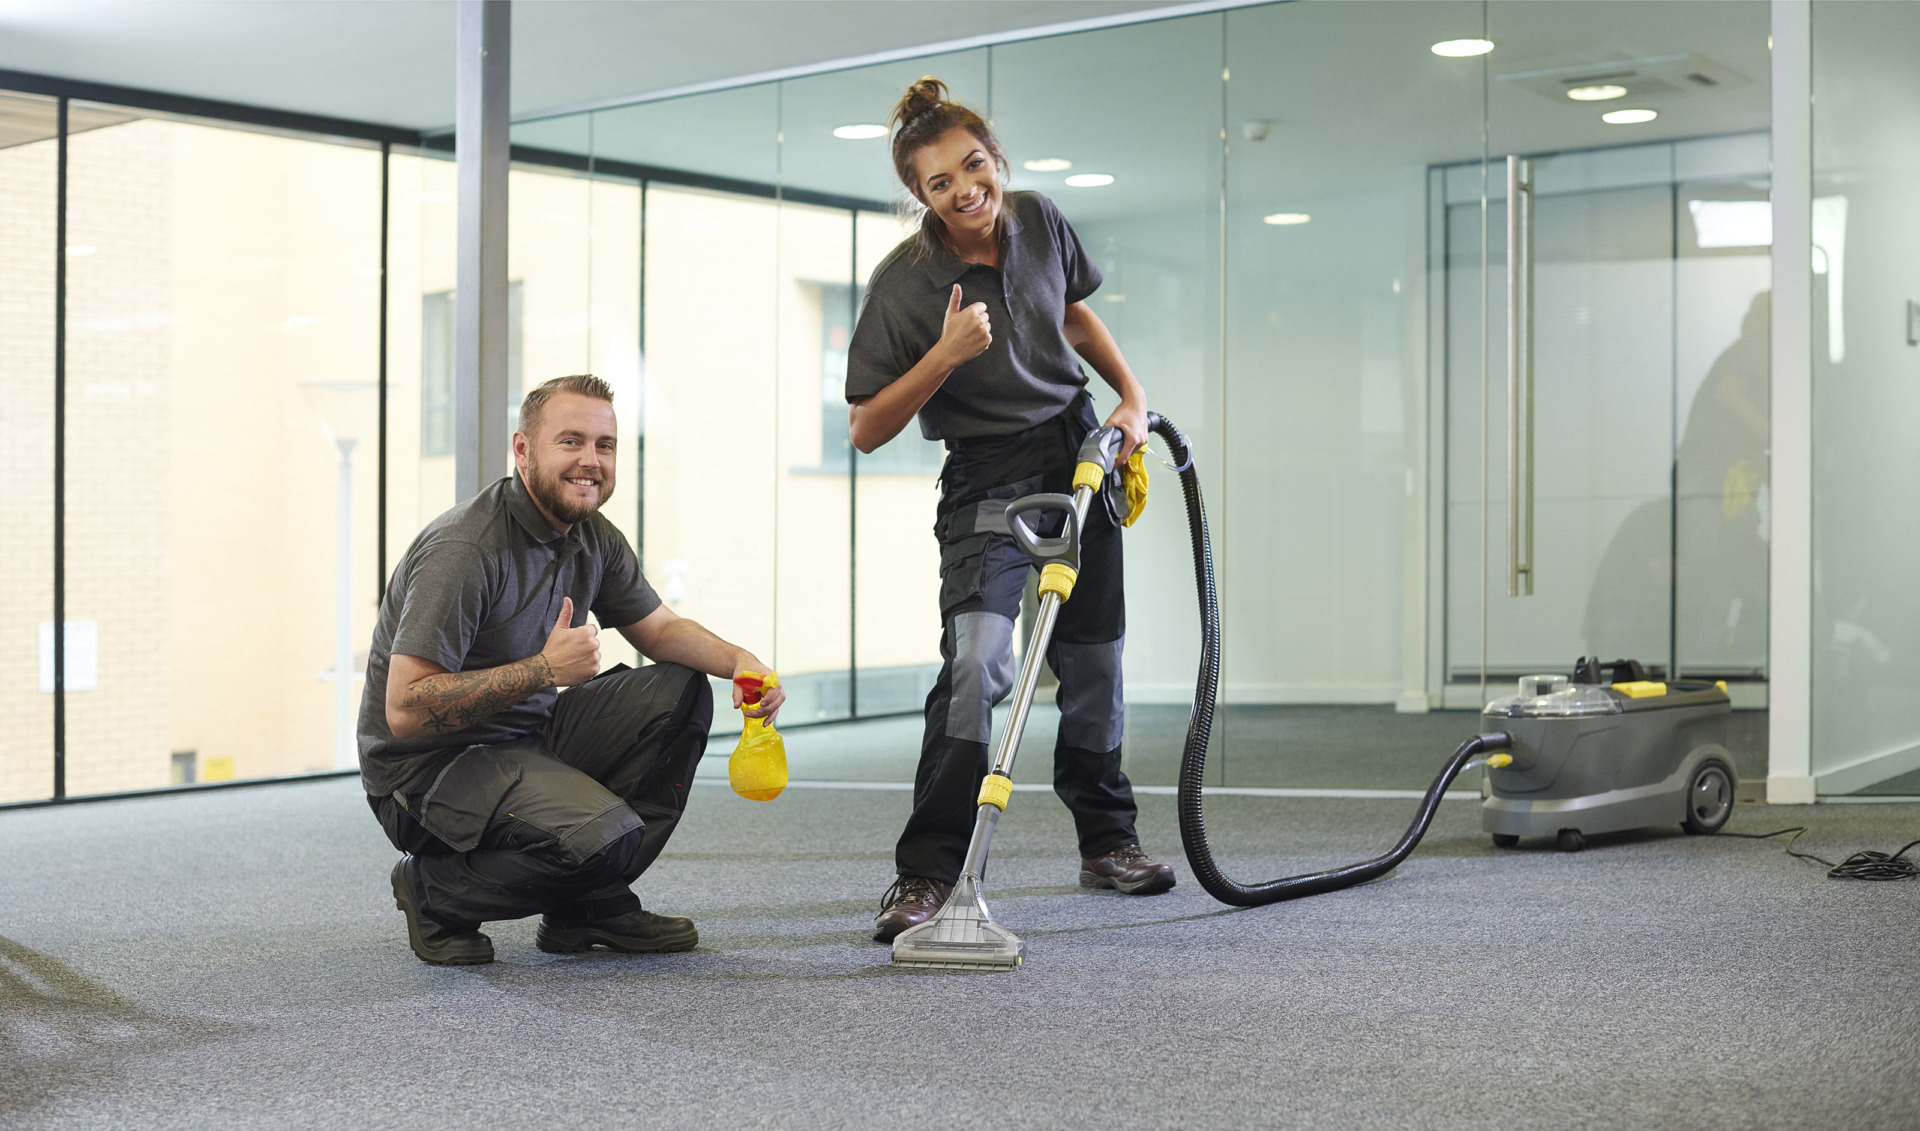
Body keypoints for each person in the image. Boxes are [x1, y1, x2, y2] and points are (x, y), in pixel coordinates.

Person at [847, 78, 1175, 943]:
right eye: (939, 183)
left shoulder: (1039, 219)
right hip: (984, 475)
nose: (964, 190)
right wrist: (944, 358)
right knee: (978, 665)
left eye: (973, 165)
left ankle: (1109, 841)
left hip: (1074, 454)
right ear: (920, 198)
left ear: (996, 159)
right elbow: (866, 426)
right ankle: (925, 871)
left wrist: (1131, 399)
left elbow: (1072, 313)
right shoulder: (905, 284)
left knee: (1093, 663)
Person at [360, 373, 785, 966]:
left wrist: (740, 661)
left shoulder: (591, 535)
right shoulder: (465, 550)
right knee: (603, 839)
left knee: (679, 690)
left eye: (604, 445)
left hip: (525, 737)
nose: (591, 461)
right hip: (428, 773)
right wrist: (541, 670)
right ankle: (433, 891)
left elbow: (659, 630)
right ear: (523, 449)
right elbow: (404, 710)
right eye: (571, 442)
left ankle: (587, 907)